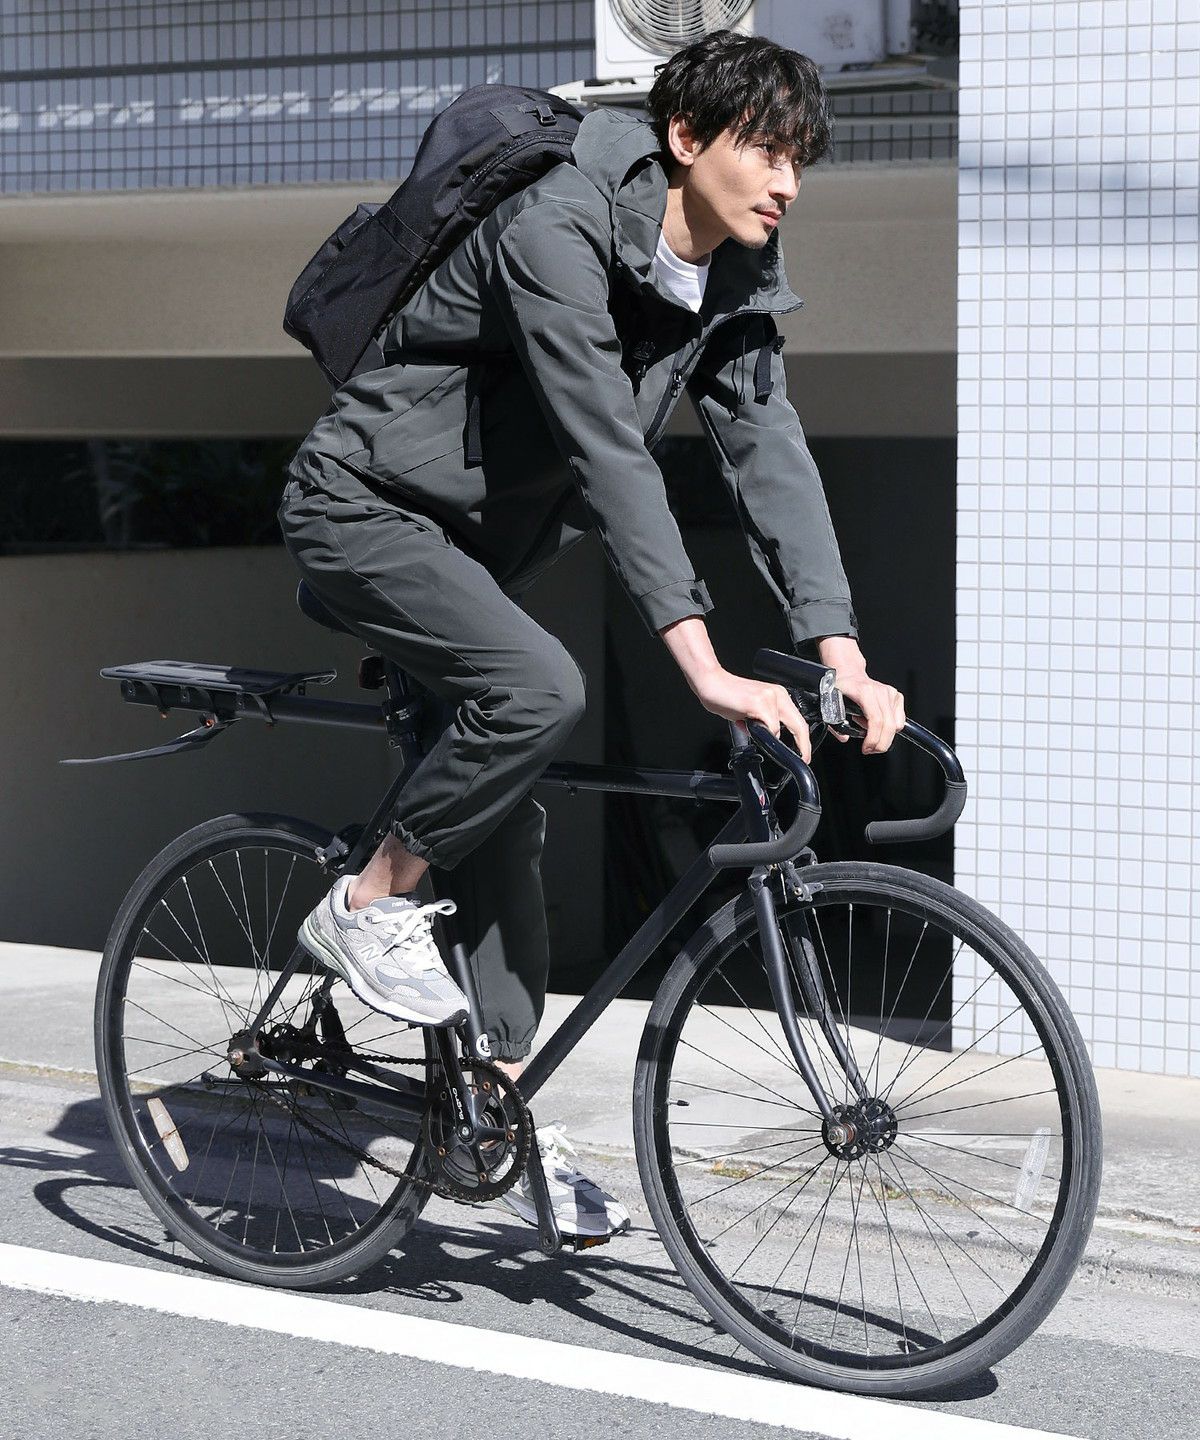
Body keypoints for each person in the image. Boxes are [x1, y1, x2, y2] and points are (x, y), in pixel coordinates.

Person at [277, 29, 906, 1240]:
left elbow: (769, 455)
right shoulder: (556, 222)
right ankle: (363, 903)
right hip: (360, 508)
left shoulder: (731, 273)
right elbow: (605, 448)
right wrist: (703, 664)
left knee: (505, 812)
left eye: (802, 162)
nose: (788, 182)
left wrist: (842, 654)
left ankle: (492, 1112)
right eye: (768, 151)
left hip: (470, 556)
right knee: (539, 690)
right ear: (687, 137)